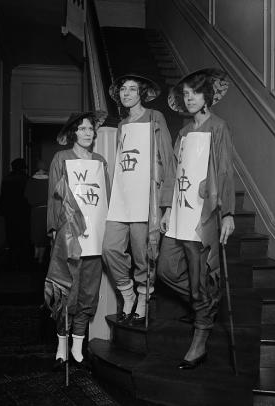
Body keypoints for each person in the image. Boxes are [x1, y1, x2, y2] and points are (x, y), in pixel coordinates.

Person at [157, 68, 235, 369]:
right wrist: (165, 209)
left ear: (207, 97)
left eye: (194, 94)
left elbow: (225, 171)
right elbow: (172, 173)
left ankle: (200, 340)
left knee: (198, 278)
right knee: (165, 270)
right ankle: (206, 303)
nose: (188, 99)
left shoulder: (219, 127)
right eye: (185, 95)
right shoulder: (184, 132)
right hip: (178, 212)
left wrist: (227, 213)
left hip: (201, 216)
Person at [102, 74, 175, 325]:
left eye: (132, 89)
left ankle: (144, 298)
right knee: (110, 248)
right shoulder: (122, 124)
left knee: (143, 254)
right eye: (123, 89)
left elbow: (167, 158)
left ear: (141, 93)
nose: (127, 93)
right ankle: (127, 293)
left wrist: (165, 204)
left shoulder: (155, 117)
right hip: (122, 198)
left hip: (145, 199)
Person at [44, 110, 109, 370]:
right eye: (82, 129)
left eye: (90, 129)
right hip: (69, 238)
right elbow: (54, 199)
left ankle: (78, 346)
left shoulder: (100, 160)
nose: (87, 133)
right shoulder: (61, 158)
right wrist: (54, 231)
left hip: (95, 239)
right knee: (65, 292)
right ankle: (62, 345)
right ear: (73, 132)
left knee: (88, 293)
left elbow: (106, 199)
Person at [0, 158, 30, 271]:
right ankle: (23, 263)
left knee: (12, 237)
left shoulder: (7, 179)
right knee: (23, 237)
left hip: (10, 213)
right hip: (23, 212)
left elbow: (3, 197)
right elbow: (28, 197)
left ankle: (12, 262)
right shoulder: (26, 178)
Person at [24, 160, 49, 267]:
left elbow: (26, 196)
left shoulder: (31, 180)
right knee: (43, 234)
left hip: (35, 210)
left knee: (35, 232)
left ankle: (35, 255)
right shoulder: (50, 180)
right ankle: (41, 258)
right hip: (46, 210)